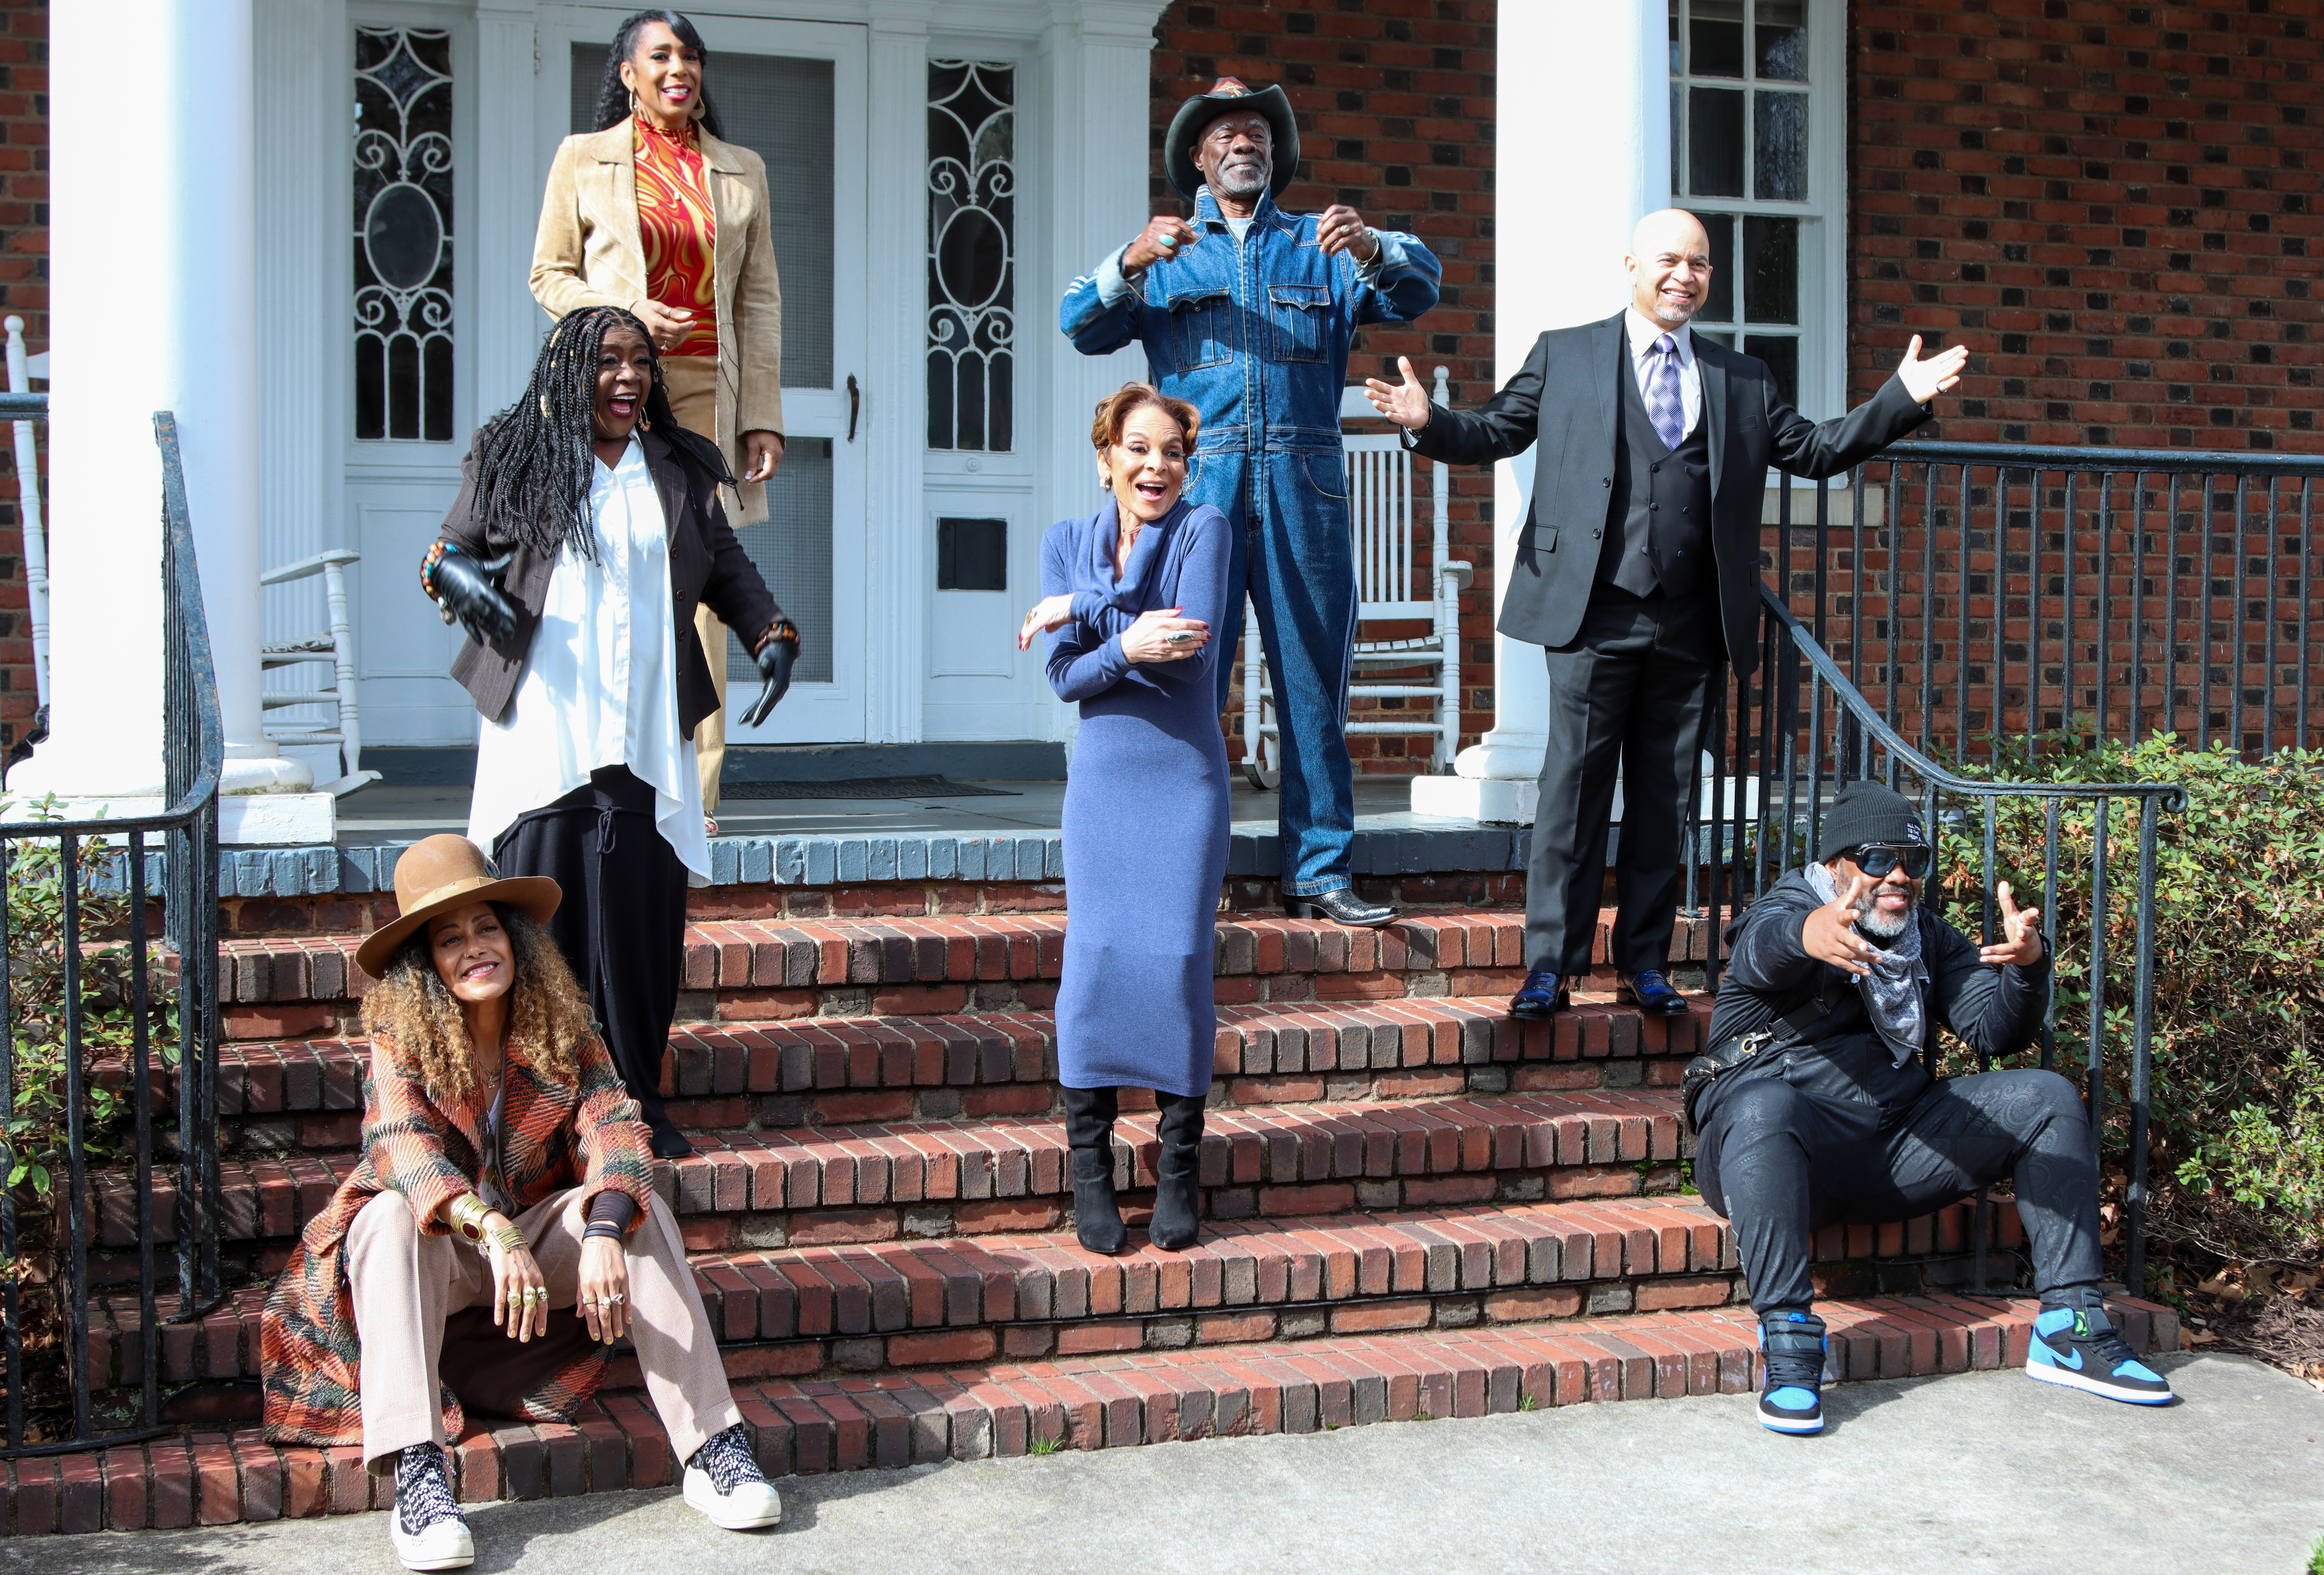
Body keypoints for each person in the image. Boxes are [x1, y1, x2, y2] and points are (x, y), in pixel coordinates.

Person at [1366, 208, 1968, 1018]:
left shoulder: (1742, 378)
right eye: (1669, 260)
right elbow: (1496, 431)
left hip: (1691, 622)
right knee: (1571, 794)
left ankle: (1644, 961)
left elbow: (1819, 451)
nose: (1684, 275)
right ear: (1631, 265)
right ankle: (1549, 966)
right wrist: (1427, 423)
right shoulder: (1566, 351)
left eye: (1700, 263)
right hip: (1591, 613)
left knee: (1664, 801)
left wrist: (1900, 398)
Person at [261, 835, 783, 1571]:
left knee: (642, 1212)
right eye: (451, 938)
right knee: (381, 1216)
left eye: (487, 928)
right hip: (440, 1262)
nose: (476, 948)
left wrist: (604, 1229)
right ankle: (418, 1472)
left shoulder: (562, 1028)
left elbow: (618, 1129)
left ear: (516, 940)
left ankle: (712, 1449)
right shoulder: (397, 1041)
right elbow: (403, 1151)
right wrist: (492, 1227)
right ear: (426, 966)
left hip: (529, 1278)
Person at [1060, 77, 1441, 929]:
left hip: (1305, 489)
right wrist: (1125, 263)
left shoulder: (1322, 245)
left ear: (1275, 154)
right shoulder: (1168, 255)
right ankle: (1185, 868)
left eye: (1258, 134)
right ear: (1197, 156)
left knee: (1312, 680)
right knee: (1187, 676)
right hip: (1203, 497)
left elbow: (1421, 289)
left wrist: (1375, 246)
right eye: (1226, 133)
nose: (1244, 143)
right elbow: (1076, 321)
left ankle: (1319, 871)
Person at [420, 304, 798, 1158]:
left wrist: (770, 633)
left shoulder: (679, 466)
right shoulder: (511, 453)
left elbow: (727, 570)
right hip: (545, 729)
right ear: (567, 371)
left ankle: (634, 1103)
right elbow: (445, 551)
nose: (628, 377)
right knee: (542, 931)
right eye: (607, 360)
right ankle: (538, 1114)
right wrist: (460, 584)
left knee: (638, 933)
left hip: (645, 729)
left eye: (641, 361)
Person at [1695, 782, 2174, 1434]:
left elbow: (1992, 1031)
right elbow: (1760, 947)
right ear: (1837, 863)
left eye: (1912, 862)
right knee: (1763, 1104)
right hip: (1777, 1159)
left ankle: (2071, 1324)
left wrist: (2030, 969)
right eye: (1876, 858)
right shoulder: (1792, 907)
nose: (1896, 875)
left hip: (1895, 1153)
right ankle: (1788, 1337)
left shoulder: (1923, 937)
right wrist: (1810, 933)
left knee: (2047, 1097)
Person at [532, 7, 788, 832]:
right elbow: (549, 275)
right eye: (661, 55)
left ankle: (695, 791)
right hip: (607, 388)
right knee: (597, 569)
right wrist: (627, 313)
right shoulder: (585, 159)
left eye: (691, 55)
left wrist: (763, 416)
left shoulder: (741, 169)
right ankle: (585, 771)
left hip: (706, 396)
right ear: (631, 72)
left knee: (699, 583)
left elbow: (758, 299)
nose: (680, 67)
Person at [1018, 385, 1231, 1254]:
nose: (1158, 466)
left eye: (1174, 451)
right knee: (1097, 964)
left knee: (1178, 963)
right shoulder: (1064, 542)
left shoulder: (1204, 528)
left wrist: (1083, 611)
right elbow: (1068, 680)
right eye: (1139, 448)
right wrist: (1121, 638)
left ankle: (1178, 1170)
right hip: (1104, 784)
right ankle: (1092, 1171)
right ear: (1104, 456)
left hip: (1183, 783)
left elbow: (1187, 655)